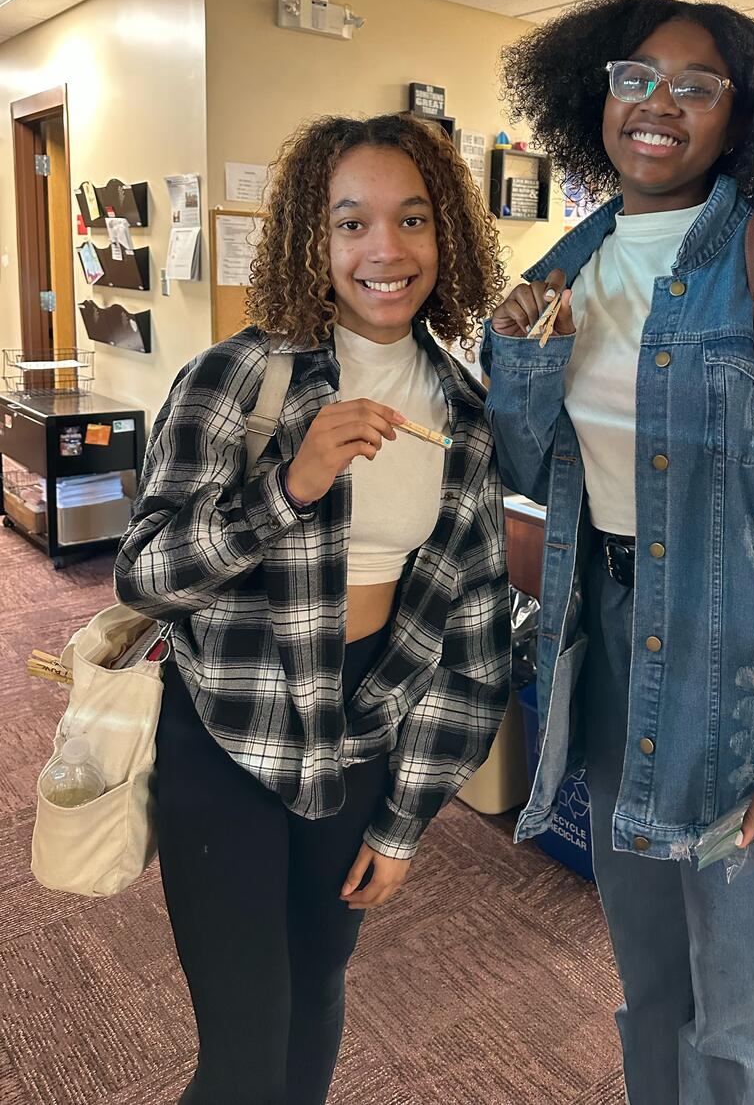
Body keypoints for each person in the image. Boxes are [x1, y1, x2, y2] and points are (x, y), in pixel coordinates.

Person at [483, 0, 754, 1104]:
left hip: (751, 676)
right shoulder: (566, 263)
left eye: (696, 85)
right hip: (609, 654)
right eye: (636, 77)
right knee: (650, 988)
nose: (659, 103)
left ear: (741, 116)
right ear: (597, 96)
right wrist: (519, 366)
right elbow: (527, 471)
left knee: (746, 1021)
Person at [115, 113, 511, 1105]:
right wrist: (286, 490)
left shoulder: (464, 412)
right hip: (227, 730)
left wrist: (407, 819)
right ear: (310, 238)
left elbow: (471, 645)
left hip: (360, 737)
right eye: (350, 223)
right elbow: (145, 575)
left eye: (412, 219)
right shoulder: (237, 376)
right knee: (244, 1050)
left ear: (446, 236)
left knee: (317, 997)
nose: (385, 250)